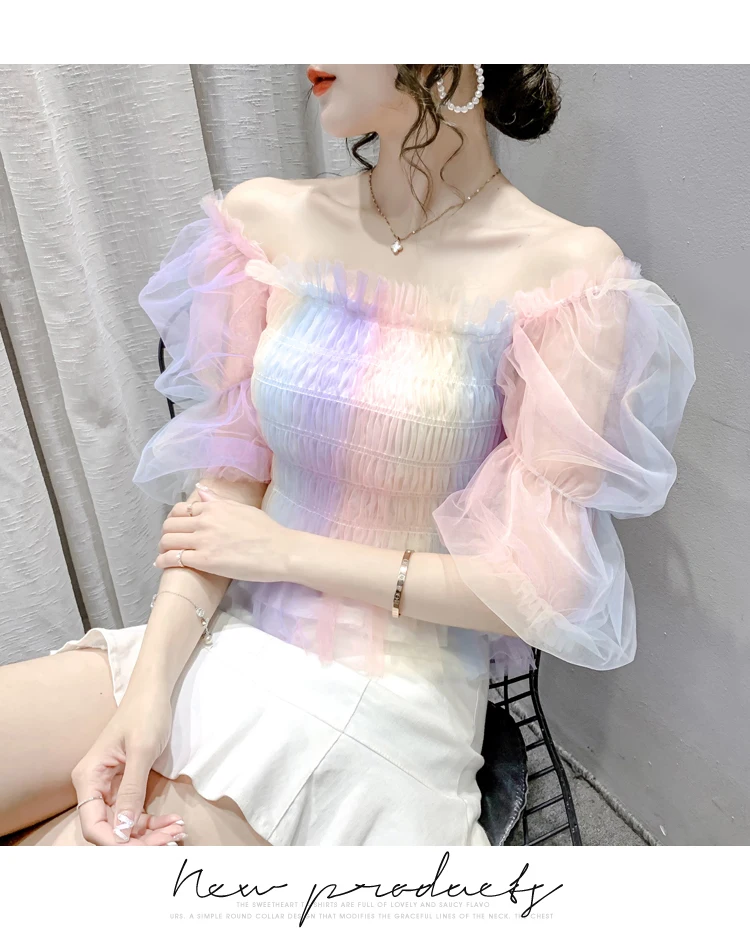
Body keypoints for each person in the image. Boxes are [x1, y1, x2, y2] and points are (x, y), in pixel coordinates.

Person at [0, 65, 696, 846]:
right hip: (228, 629)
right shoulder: (265, 220)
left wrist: (284, 551)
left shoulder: (568, 274)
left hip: (390, 688)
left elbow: (537, 588)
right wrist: (150, 690)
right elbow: (225, 499)